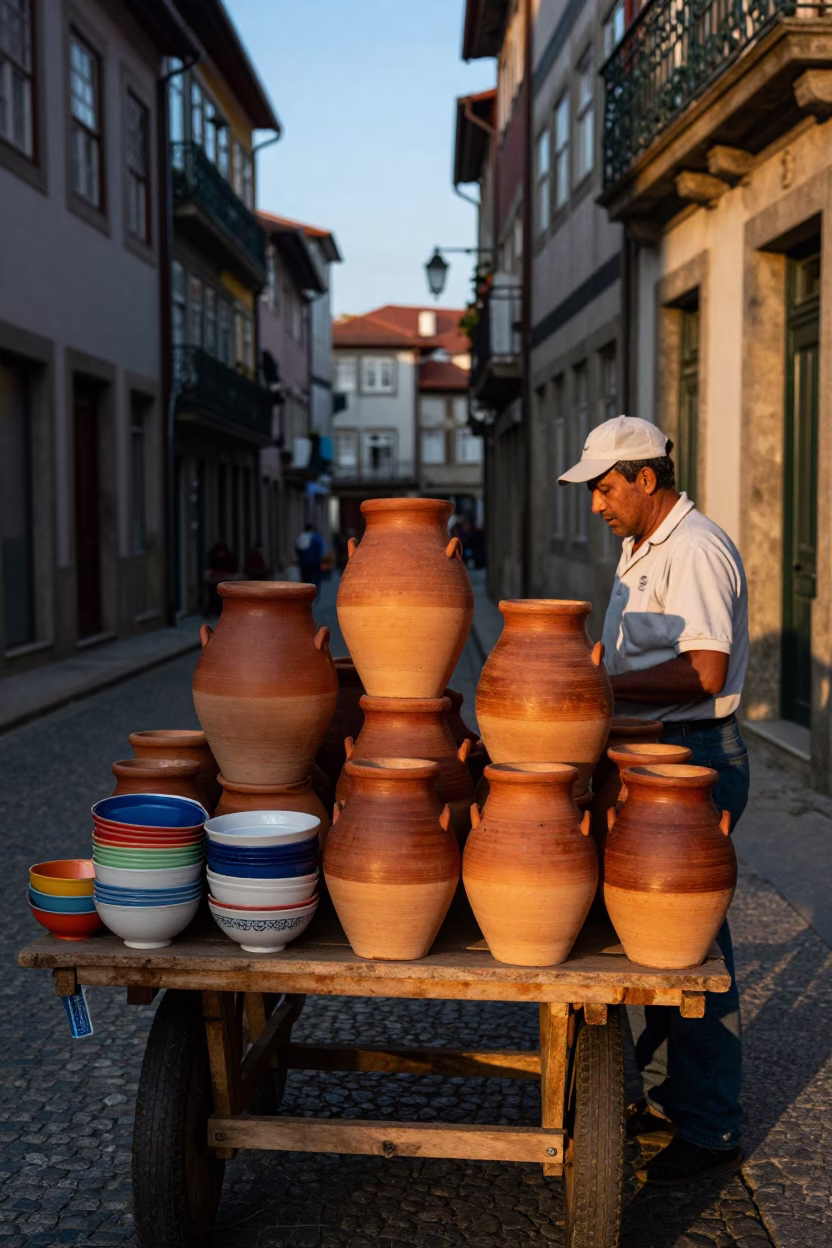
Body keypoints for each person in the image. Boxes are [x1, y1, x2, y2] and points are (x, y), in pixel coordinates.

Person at [559, 415, 749, 1186]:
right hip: (651, 754)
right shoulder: (644, 545)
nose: (596, 503)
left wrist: (597, 685)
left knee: (690, 947)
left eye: (605, 487)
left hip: (692, 759)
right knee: (651, 936)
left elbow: (704, 671)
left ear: (645, 478)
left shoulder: (695, 549)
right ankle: (670, 1096)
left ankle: (709, 1128)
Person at [203, 540, 237, 617]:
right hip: (214, 581)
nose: (220, 554)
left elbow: (232, 570)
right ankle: (213, 610)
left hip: (225, 582)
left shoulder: (229, 558)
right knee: (213, 596)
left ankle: (221, 611)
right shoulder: (213, 557)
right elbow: (209, 568)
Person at [295, 522, 325, 589]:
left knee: (306, 580)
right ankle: (316, 593)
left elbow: (297, 549)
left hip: (304, 563)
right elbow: (322, 549)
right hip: (315, 562)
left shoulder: (300, 537)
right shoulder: (316, 537)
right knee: (316, 579)